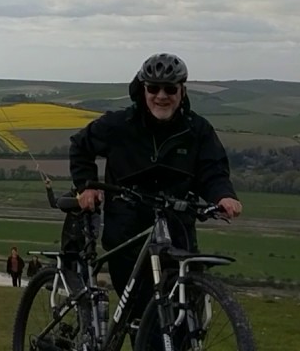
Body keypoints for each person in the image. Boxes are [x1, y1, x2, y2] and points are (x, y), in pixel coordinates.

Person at [69, 52, 242, 325]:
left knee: (183, 316)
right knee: (143, 317)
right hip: (127, 232)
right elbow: (81, 146)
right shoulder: (119, 125)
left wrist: (223, 195)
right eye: (153, 88)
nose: (162, 96)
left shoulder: (196, 130)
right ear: (142, 89)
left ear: (182, 91)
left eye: (170, 89)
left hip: (177, 231)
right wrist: (86, 186)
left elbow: (213, 170)